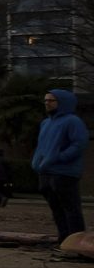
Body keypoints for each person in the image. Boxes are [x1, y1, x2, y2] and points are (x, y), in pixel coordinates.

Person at [31, 88, 86, 241]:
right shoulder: (46, 123)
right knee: (56, 209)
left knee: (71, 208)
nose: (47, 103)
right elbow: (41, 145)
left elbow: (79, 144)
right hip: (45, 172)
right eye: (46, 100)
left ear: (62, 102)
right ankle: (63, 238)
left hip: (65, 172)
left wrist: (60, 157)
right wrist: (37, 161)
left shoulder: (73, 121)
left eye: (51, 100)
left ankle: (77, 242)